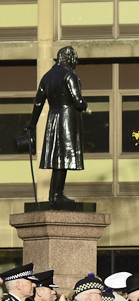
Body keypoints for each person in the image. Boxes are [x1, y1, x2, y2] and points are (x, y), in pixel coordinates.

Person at [25, 45, 88, 205]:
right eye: (74, 58)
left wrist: (32, 123)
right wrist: (85, 104)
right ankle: (57, 194)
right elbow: (78, 102)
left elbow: (38, 103)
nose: (76, 61)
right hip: (67, 118)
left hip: (53, 119)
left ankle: (55, 194)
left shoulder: (47, 77)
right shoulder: (69, 75)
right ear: (67, 57)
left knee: (57, 159)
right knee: (63, 158)